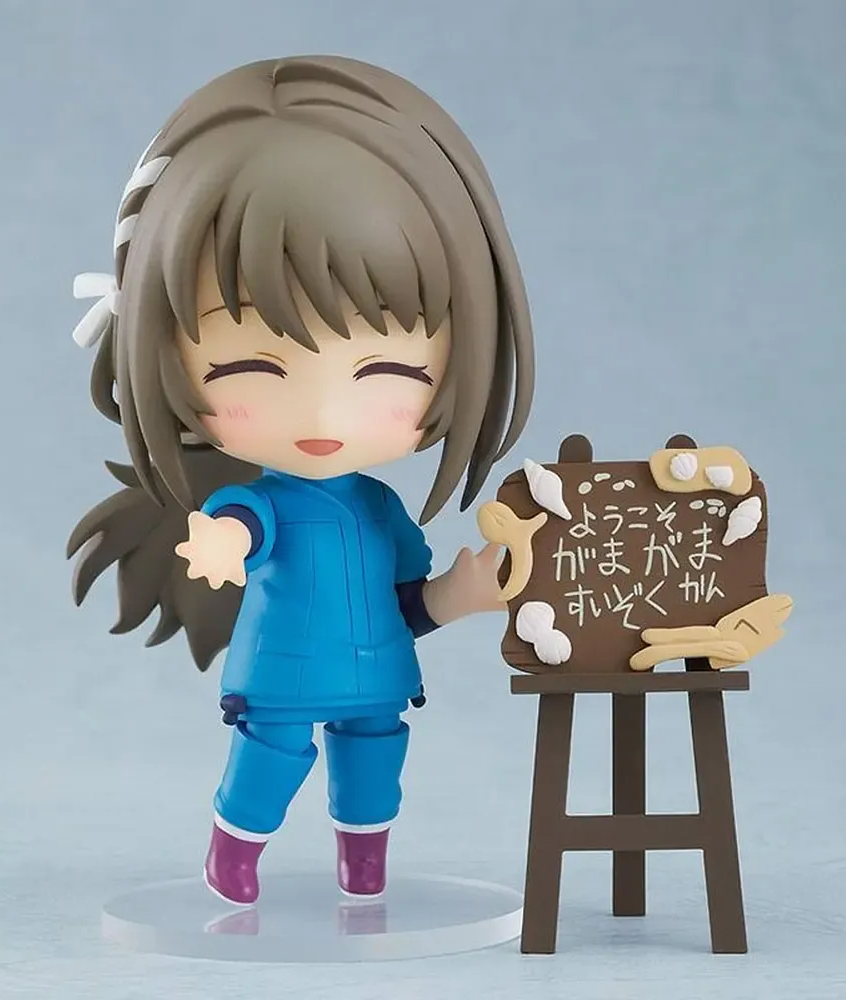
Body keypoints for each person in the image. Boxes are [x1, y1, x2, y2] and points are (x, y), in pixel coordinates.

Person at [67, 55, 535, 907]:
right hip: (281, 675)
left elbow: (403, 604)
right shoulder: (263, 502)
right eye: (252, 368)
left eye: (385, 371)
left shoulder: (381, 509)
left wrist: (455, 598)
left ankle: (364, 862)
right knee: (271, 756)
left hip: (376, 673)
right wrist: (223, 540)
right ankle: (234, 849)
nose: (322, 411)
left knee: (375, 758)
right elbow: (243, 525)